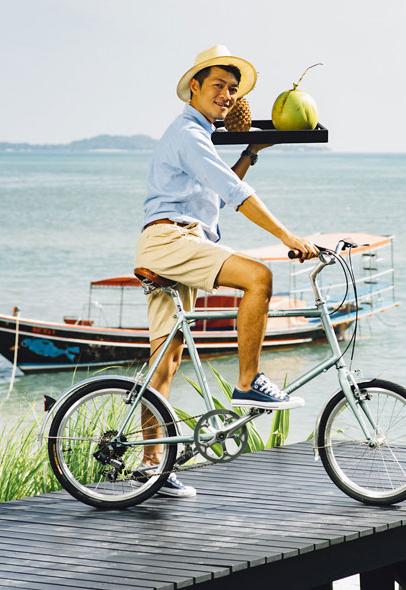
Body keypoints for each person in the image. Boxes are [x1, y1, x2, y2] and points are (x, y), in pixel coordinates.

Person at [134, 45, 318, 497]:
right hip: (173, 241)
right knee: (259, 277)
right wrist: (287, 237)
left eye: (233, 90)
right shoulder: (189, 135)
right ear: (194, 86)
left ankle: (149, 466)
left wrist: (251, 151)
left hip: (173, 241)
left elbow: (214, 199)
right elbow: (234, 192)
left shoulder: (199, 138)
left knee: (166, 362)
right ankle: (249, 381)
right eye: (218, 85)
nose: (227, 96)